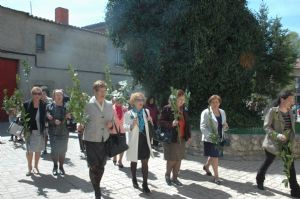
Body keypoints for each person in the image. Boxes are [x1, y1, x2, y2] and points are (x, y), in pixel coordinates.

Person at [256, 91, 300, 198]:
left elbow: (290, 128)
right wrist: (277, 135)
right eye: (290, 99)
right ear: (282, 100)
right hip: (273, 143)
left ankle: (295, 190)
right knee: (268, 161)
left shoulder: (290, 112)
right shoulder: (273, 111)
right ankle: (259, 178)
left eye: (293, 99)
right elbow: (266, 127)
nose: (293, 101)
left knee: (290, 166)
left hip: (286, 144)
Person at [77, 80, 113, 199]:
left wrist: (110, 124)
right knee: (93, 166)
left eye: (105, 91)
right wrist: (80, 124)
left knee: (101, 166)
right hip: (91, 139)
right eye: (101, 91)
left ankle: (97, 184)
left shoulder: (109, 104)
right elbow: (82, 119)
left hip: (104, 139)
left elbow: (111, 120)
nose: (104, 93)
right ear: (95, 91)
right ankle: (97, 190)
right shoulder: (88, 104)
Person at [159, 89, 191, 186]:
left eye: (183, 99)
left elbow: (187, 124)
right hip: (171, 138)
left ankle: (175, 178)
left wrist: (188, 135)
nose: (182, 101)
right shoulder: (167, 108)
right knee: (172, 158)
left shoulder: (184, 110)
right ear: (174, 99)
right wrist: (171, 124)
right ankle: (167, 175)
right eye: (179, 99)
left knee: (179, 159)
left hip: (181, 138)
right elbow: (160, 122)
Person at [124, 92, 154, 193]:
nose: (141, 102)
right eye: (138, 100)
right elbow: (125, 127)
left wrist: (150, 120)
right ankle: (134, 179)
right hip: (134, 141)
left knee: (145, 161)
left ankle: (145, 184)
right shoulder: (129, 114)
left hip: (145, 140)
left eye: (142, 100)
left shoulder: (146, 111)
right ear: (133, 102)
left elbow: (150, 126)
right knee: (134, 161)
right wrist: (132, 125)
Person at [200, 95, 228, 185]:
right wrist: (210, 136)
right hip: (210, 138)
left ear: (219, 103)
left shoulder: (222, 112)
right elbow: (202, 126)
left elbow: (224, 124)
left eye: (217, 102)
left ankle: (206, 166)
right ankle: (216, 177)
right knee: (215, 156)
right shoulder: (206, 112)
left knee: (213, 155)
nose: (215, 104)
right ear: (210, 103)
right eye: (213, 102)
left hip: (220, 137)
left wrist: (226, 126)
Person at [46, 89, 71, 176]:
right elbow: (46, 118)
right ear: (54, 96)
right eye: (57, 95)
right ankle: (55, 166)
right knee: (54, 151)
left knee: (63, 151)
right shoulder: (49, 106)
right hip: (53, 132)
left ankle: (61, 167)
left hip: (64, 132)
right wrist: (52, 120)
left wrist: (70, 117)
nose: (59, 96)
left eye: (61, 94)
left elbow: (72, 119)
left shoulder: (67, 106)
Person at [24, 86, 46, 176]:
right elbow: (22, 117)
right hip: (29, 130)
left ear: (41, 95)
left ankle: (36, 166)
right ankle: (29, 168)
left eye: (39, 93)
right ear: (32, 94)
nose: (37, 95)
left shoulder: (43, 104)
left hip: (40, 130)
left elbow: (46, 115)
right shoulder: (26, 104)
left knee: (38, 150)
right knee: (29, 150)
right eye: (35, 93)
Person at [112, 96, 127, 168]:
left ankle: (120, 160)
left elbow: (128, 118)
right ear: (115, 101)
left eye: (121, 101)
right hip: (114, 130)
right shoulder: (111, 108)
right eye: (118, 100)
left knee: (122, 146)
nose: (119, 102)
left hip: (122, 129)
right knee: (115, 145)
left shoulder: (124, 108)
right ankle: (115, 156)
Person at [41, 86, 53, 155]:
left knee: (46, 135)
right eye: (42, 94)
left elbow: (51, 109)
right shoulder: (39, 100)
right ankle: (43, 148)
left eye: (44, 93)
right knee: (42, 135)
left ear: (46, 93)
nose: (43, 95)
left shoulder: (50, 100)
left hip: (48, 120)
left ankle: (45, 148)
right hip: (41, 120)